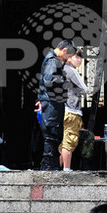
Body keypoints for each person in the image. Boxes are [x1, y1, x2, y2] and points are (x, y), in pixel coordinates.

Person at [36, 39, 76, 170]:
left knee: (54, 135)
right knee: (52, 135)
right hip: (51, 104)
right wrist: (65, 81)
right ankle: (48, 166)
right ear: (64, 50)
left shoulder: (53, 60)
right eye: (68, 56)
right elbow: (49, 80)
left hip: (52, 103)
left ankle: (51, 166)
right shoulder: (53, 61)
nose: (67, 59)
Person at [59, 50, 90, 171]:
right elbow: (85, 89)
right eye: (77, 57)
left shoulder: (61, 70)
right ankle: (66, 169)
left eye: (80, 58)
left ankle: (58, 168)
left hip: (63, 109)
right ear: (69, 58)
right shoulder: (71, 71)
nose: (80, 60)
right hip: (72, 110)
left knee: (63, 142)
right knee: (69, 141)